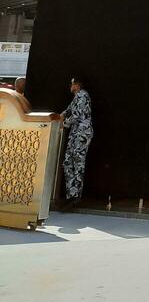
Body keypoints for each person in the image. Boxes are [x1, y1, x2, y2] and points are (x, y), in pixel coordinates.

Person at [60, 76, 93, 209]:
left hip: (82, 134)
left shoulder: (82, 95)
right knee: (68, 162)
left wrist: (64, 123)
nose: (70, 86)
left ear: (77, 85)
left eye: (72, 84)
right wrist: (60, 115)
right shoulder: (77, 97)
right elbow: (69, 110)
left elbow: (77, 115)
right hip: (76, 134)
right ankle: (71, 195)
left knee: (77, 163)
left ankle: (75, 197)